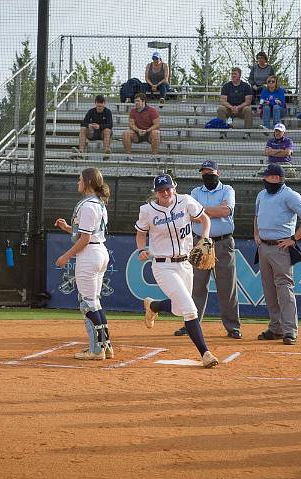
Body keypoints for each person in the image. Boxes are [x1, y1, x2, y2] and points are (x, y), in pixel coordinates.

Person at [136, 174, 219, 368]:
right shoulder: (148, 210)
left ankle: (154, 306)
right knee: (190, 310)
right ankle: (205, 353)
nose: (165, 193)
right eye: (161, 190)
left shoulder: (185, 201)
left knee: (178, 308)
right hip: (162, 265)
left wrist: (205, 237)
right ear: (155, 192)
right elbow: (140, 233)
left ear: (174, 187)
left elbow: (205, 219)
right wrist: (141, 249)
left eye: (168, 189)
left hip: (185, 263)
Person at [174, 160, 241, 339]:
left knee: (227, 286)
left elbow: (225, 211)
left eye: (210, 172)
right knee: (195, 286)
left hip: (222, 243)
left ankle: (233, 327)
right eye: (204, 172)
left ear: (218, 172)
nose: (207, 175)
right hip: (199, 242)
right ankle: (191, 325)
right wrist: (210, 212)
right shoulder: (195, 192)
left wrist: (202, 213)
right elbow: (190, 215)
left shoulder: (228, 190)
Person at [54, 168, 113, 360]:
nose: (77, 183)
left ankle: (96, 349)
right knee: (94, 301)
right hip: (99, 251)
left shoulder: (88, 205)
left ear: (87, 182)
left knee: (87, 303)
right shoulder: (98, 203)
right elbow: (87, 233)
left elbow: (85, 239)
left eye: (80, 179)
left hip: (90, 254)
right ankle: (106, 345)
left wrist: (65, 256)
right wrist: (67, 228)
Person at [254, 163, 301, 345]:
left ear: (277, 178)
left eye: (268, 176)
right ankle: (276, 328)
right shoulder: (261, 195)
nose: (265, 179)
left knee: (284, 289)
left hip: (281, 247)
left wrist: (293, 239)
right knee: (269, 290)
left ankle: (290, 331)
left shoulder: (290, 195)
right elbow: (256, 216)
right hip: (264, 247)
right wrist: (256, 234)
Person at [73, 95, 112, 160]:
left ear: (104, 104)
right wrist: (89, 125)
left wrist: (99, 126)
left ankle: (106, 151)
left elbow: (110, 125)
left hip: (103, 133)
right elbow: (83, 123)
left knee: (107, 130)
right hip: (92, 133)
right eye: (98, 106)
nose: (99, 108)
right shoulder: (91, 111)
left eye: (101, 106)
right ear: (95, 104)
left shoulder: (108, 112)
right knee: (83, 129)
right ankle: (81, 151)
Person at [122, 93, 161, 158]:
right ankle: (128, 156)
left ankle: (154, 157)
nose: (136, 103)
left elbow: (157, 125)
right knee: (126, 133)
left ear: (143, 101)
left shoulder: (152, 110)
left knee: (156, 133)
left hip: (149, 134)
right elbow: (131, 124)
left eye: (138, 101)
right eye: (135, 101)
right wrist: (138, 130)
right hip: (137, 134)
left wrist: (147, 130)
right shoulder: (132, 111)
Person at [217, 67, 253, 133]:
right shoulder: (226, 86)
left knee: (248, 109)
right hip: (229, 109)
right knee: (220, 109)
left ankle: (247, 133)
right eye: (232, 74)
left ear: (240, 75)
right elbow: (223, 101)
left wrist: (238, 107)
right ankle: (222, 132)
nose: (233, 75)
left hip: (241, 110)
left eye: (235, 74)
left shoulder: (246, 86)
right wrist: (231, 107)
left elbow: (248, 101)